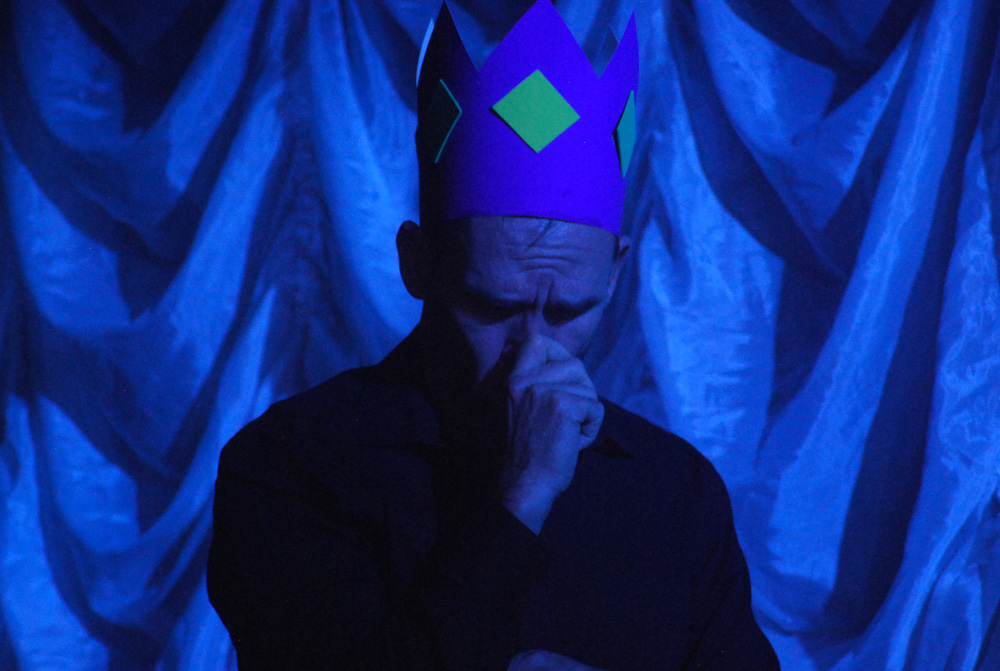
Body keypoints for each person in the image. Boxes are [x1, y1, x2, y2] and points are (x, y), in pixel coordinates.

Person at [207, 2, 780, 670]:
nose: (532, 349)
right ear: (418, 263)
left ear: (614, 274)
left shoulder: (673, 491)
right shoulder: (293, 467)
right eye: (492, 306)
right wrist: (522, 497)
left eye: (568, 311)